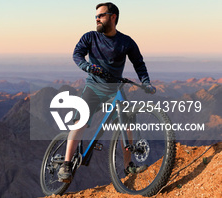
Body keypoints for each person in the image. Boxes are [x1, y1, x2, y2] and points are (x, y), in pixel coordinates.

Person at [58, 2, 157, 183]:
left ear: (113, 17)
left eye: (101, 15)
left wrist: (146, 82)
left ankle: (128, 166)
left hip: (115, 89)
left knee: (126, 125)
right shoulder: (90, 37)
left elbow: (139, 63)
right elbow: (77, 54)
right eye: (96, 16)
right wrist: (87, 66)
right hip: (93, 87)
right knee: (81, 121)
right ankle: (66, 164)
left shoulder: (126, 42)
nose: (97, 18)